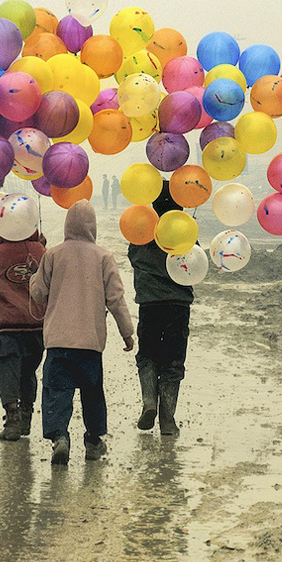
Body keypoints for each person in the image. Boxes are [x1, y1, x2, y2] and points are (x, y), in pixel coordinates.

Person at [30, 199, 134, 464]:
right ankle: (93, 440)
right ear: (93, 226)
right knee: (92, 392)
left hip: (58, 341)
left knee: (57, 391)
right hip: (90, 342)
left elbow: (38, 293)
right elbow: (116, 298)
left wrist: (35, 276)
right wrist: (127, 332)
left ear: (67, 224)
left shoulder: (52, 254)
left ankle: (60, 438)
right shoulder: (104, 257)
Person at [127, 182, 192, 436]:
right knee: (173, 360)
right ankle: (167, 420)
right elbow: (195, 265)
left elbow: (134, 257)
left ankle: (149, 402)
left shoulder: (143, 230)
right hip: (178, 305)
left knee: (148, 354)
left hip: (149, 304)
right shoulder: (186, 231)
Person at [0, 230, 46, 441]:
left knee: (7, 370)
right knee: (28, 372)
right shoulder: (41, 251)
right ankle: (26, 415)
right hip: (37, 328)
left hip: (8, 330)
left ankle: (12, 417)